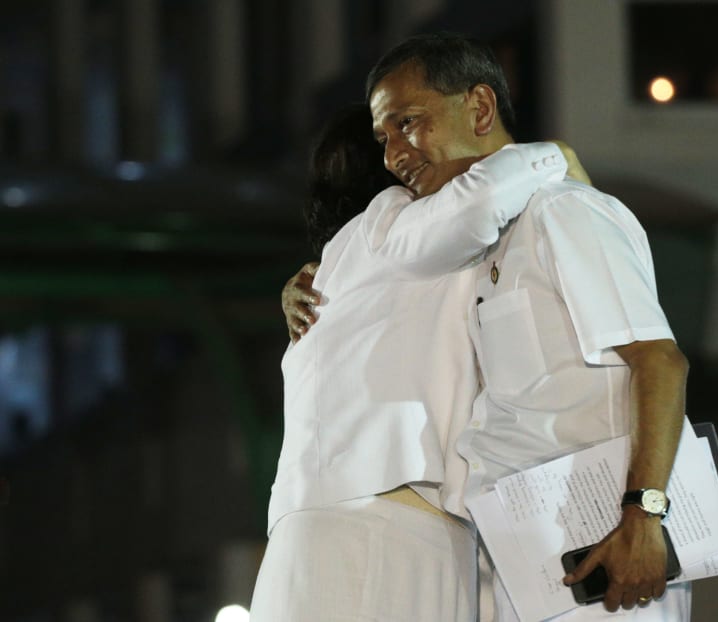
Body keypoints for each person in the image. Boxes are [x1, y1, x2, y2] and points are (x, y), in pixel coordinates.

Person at [287, 32, 692, 620]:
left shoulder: (564, 211)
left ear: (478, 107)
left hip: (606, 548)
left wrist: (643, 514)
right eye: (383, 138)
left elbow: (659, 359)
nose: (395, 153)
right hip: (520, 559)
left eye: (409, 122)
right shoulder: (477, 243)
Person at [250, 101, 571, 621]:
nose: (406, 152)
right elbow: (487, 194)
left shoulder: (340, 272)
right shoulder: (392, 220)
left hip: (312, 537)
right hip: (384, 533)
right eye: (392, 139)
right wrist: (555, 155)